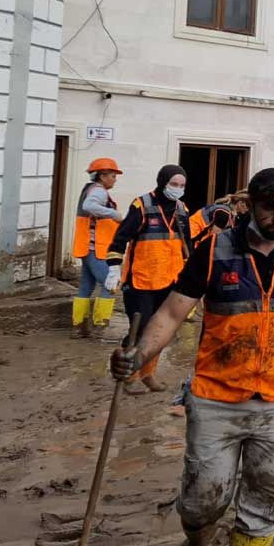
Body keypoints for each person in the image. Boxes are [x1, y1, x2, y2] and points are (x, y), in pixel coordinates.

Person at [109, 167, 274, 546]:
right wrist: (138, 354)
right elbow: (173, 314)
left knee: (265, 501)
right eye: (269, 209)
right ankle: (196, 540)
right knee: (200, 503)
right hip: (215, 400)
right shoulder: (215, 250)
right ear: (250, 204)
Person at [104, 165, 191, 393]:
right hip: (141, 281)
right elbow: (120, 238)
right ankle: (129, 377)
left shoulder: (182, 209)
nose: (178, 189)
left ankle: (147, 373)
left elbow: (187, 247)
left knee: (160, 331)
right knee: (140, 329)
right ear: (162, 182)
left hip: (170, 280)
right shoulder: (141, 205)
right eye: (174, 184)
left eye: (182, 185)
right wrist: (113, 268)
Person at [71, 158, 124, 340]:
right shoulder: (99, 192)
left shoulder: (90, 189)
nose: (115, 179)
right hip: (96, 249)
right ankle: (100, 327)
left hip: (88, 247)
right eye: (112, 175)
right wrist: (114, 214)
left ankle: (79, 327)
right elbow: (89, 206)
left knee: (86, 287)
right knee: (111, 285)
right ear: (102, 176)